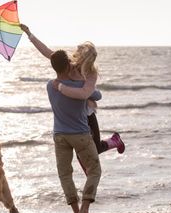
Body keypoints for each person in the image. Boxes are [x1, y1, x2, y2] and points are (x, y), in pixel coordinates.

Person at [20, 24, 125, 156]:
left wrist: (62, 87)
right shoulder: (70, 64)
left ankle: (115, 140)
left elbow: (85, 94)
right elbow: (47, 52)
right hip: (73, 113)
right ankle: (88, 165)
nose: (77, 58)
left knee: (96, 148)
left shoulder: (91, 73)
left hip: (87, 113)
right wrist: (29, 34)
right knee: (81, 147)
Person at [47, 49, 102, 213]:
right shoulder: (80, 87)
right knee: (94, 170)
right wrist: (83, 79)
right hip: (80, 135)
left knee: (65, 174)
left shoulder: (50, 85)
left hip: (59, 135)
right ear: (68, 64)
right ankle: (85, 210)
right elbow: (97, 95)